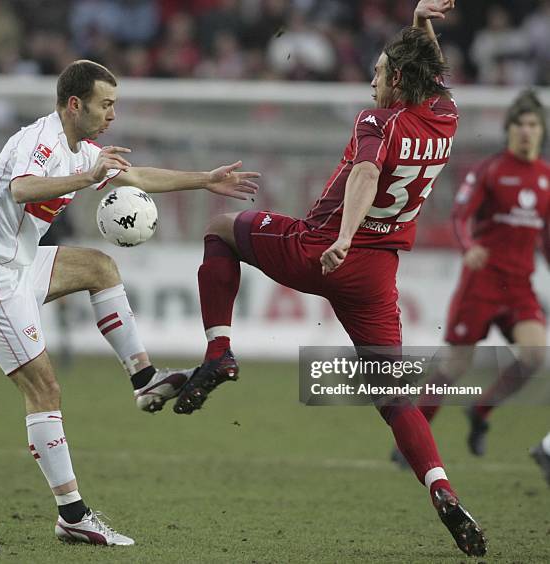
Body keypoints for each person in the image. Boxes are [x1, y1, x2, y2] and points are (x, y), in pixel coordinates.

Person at [172, 0, 486, 557]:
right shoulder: (445, 116)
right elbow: (430, 71)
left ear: (396, 78)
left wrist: (342, 235)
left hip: (321, 249)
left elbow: (366, 172)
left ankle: (218, 352)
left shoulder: (378, 121)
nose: (372, 80)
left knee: (220, 229)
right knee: (394, 398)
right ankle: (442, 486)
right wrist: (419, 25)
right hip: (377, 273)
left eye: (379, 71)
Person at [0, 59, 259, 546]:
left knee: (99, 267)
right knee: (45, 391)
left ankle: (144, 379)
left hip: (17, 266)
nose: (112, 113)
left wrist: (205, 179)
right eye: (105, 104)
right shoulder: (40, 141)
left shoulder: (78, 150)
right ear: (76, 104)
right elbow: (22, 188)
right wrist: (84, 177)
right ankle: (72, 514)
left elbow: (135, 176)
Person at [390, 90, 549, 459]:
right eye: (520, 125)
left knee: (535, 356)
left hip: (520, 286)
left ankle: (480, 412)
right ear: (509, 130)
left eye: (533, 125)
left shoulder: (546, 177)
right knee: (456, 364)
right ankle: (413, 438)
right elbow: (460, 216)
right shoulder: (490, 170)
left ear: (541, 131)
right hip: (482, 282)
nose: (526, 132)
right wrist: (469, 246)